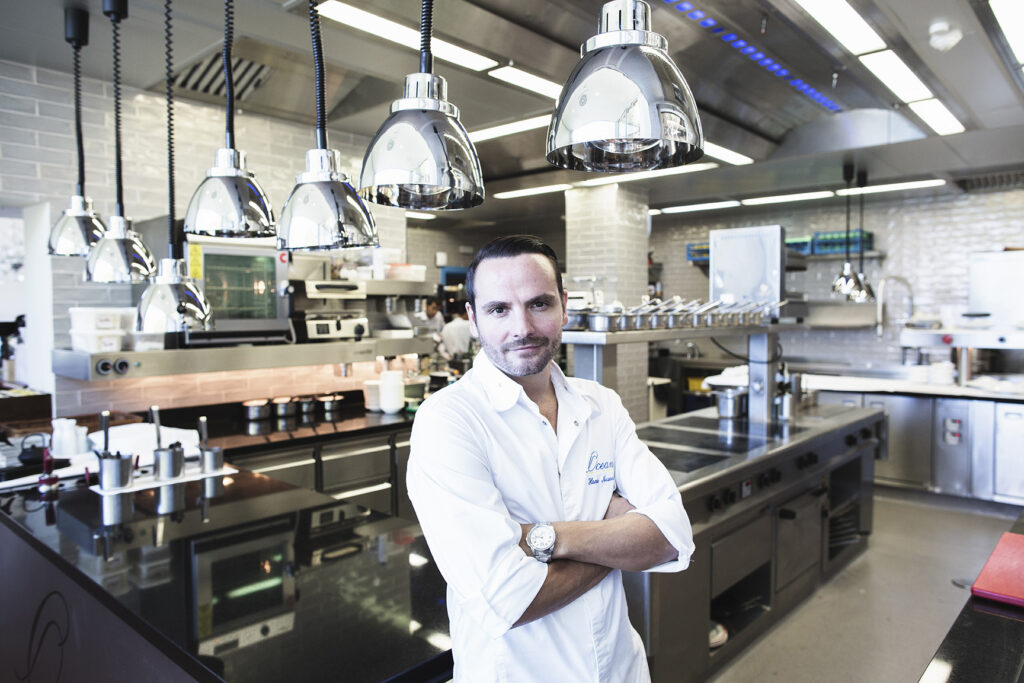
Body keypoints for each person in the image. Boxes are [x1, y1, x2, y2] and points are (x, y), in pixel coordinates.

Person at [407, 235, 694, 682]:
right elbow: (507, 599)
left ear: (563, 305)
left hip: (620, 671)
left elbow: (673, 537)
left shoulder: (601, 404)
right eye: (499, 309)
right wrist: (616, 536)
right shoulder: (447, 421)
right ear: (473, 319)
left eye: (538, 304)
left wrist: (542, 538)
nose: (521, 327)